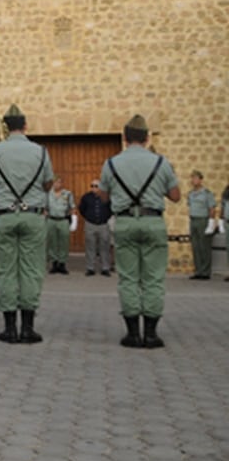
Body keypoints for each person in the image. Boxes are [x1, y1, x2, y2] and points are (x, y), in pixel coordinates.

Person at [97, 114, 180, 348]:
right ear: (146, 137)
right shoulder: (160, 162)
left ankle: (132, 333)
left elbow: (103, 196)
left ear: (124, 138)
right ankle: (151, 334)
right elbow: (175, 196)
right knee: (153, 278)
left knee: (128, 277)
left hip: (125, 221)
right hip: (152, 220)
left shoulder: (111, 163)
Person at [0, 104, 54, 344]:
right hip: (32, 214)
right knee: (31, 270)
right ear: (25, 125)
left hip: (4, 214)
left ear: (6, 127)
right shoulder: (40, 151)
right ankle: (29, 327)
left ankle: (10, 327)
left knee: (6, 269)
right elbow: (48, 183)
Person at [79, 179, 113, 276]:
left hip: (103, 225)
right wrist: (88, 217)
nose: (94, 188)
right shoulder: (86, 197)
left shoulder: (106, 197)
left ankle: (105, 268)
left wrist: (106, 217)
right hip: (90, 225)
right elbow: (82, 209)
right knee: (90, 247)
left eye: (96, 186)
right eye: (92, 186)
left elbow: (111, 209)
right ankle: (90, 268)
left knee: (105, 247)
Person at [186, 171, 216, 279]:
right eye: (192, 178)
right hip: (193, 220)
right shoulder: (190, 194)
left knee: (204, 247)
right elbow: (190, 207)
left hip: (203, 220)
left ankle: (205, 272)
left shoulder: (207, 193)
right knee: (195, 246)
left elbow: (212, 209)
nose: (193, 180)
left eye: (195, 178)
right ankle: (198, 271)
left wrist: (211, 222)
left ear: (200, 179)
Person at [46, 178, 76, 274]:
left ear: (62, 183)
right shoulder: (47, 194)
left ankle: (62, 264)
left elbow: (72, 207)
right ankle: (54, 263)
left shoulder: (67, 194)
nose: (57, 184)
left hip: (63, 220)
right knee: (52, 242)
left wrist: (73, 219)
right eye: (55, 182)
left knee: (64, 242)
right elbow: (44, 208)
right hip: (51, 220)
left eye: (59, 182)